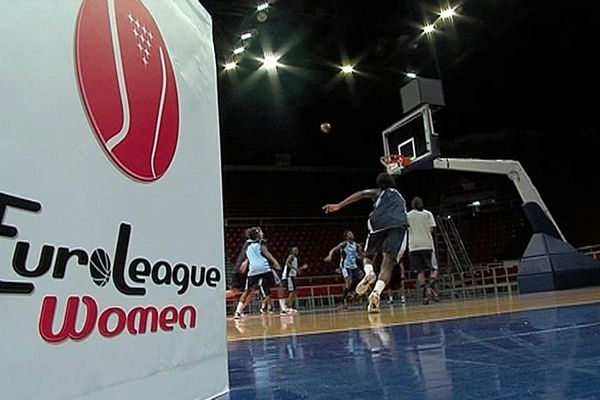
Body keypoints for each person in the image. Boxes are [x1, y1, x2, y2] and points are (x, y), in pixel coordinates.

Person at [323, 172, 407, 313]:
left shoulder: (378, 192)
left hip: (378, 223)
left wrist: (339, 205)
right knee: (387, 264)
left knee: (367, 257)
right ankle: (376, 293)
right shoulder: (400, 197)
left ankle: (370, 272)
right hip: (398, 225)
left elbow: (362, 193)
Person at [233, 227, 281, 319]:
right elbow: (267, 253)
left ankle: (237, 312)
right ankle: (284, 308)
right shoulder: (261, 242)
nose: (262, 233)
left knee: (247, 291)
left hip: (253, 270)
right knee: (279, 284)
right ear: (257, 234)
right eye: (260, 232)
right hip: (264, 268)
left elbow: (244, 255)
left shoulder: (246, 244)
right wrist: (275, 262)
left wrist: (245, 262)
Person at [406, 196, 439, 304]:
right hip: (427, 245)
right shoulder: (428, 214)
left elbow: (405, 228)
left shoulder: (408, 215)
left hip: (414, 246)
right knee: (434, 269)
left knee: (420, 271)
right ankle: (430, 287)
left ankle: (425, 295)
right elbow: (431, 229)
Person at [324, 230, 364, 310]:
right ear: (346, 237)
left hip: (354, 266)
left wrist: (363, 255)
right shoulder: (344, 244)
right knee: (348, 283)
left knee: (363, 277)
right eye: (349, 234)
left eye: (352, 233)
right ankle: (341, 302)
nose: (352, 234)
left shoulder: (356, 245)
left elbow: (361, 256)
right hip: (345, 266)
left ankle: (353, 293)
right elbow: (333, 249)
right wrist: (330, 256)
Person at [281, 246, 308, 313]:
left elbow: (294, 269)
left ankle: (290, 306)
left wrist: (299, 269)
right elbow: (287, 263)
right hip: (288, 276)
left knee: (294, 292)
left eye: (297, 250)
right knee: (292, 291)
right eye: (295, 250)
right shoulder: (291, 256)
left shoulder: (295, 258)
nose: (297, 251)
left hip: (292, 276)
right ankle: (287, 307)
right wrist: (296, 269)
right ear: (292, 251)